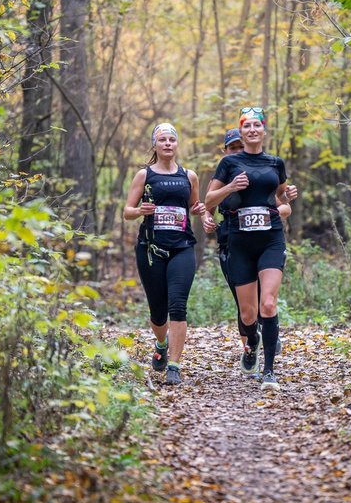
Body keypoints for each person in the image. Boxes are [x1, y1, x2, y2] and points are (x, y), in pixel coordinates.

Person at [204, 108, 293, 391]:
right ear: (241, 132)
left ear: (264, 131)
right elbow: (208, 202)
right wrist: (230, 187)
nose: (252, 129)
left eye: (257, 125)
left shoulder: (275, 162)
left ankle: (269, 372)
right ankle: (251, 343)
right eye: (247, 126)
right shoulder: (229, 163)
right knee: (248, 314)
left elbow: (282, 196)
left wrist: (287, 200)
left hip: (271, 239)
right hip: (240, 242)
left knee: (268, 303)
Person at [123, 122, 205, 385]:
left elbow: (194, 205)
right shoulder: (144, 175)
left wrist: (200, 211)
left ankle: (174, 364)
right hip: (151, 249)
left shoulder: (189, 176)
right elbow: (127, 211)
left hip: (182, 247)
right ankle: (161, 343)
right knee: (158, 312)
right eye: (163, 140)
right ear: (155, 145)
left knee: (178, 305)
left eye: (172, 139)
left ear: (176, 144)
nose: (168, 143)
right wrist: (140, 211)